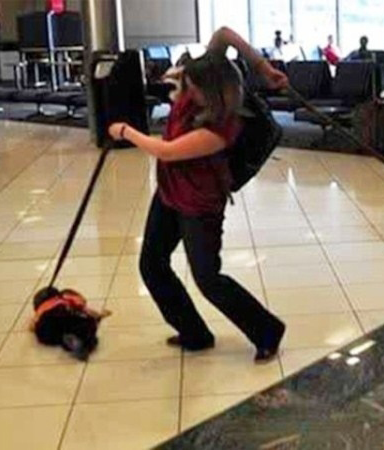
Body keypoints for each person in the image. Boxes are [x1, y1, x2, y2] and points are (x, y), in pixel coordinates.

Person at [107, 27, 288, 363]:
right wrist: (263, 67)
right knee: (152, 264)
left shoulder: (222, 126)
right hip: (169, 192)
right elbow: (223, 34)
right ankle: (194, 332)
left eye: (193, 87)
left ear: (215, 93)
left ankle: (267, 330)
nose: (186, 87)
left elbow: (168, 151)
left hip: (199, 203)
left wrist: (125, 131)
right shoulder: (209, 70)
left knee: (208, 278)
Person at [31, 287, 111, 361]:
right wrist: (99, 315)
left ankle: (65, 340)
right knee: (88, 324)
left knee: (54, 336)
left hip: (45, 326)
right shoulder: (65, 298)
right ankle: (84, 344)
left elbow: (32, 326)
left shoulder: (41, 309)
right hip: (62, 315)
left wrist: (36, 329)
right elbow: (87, 312)